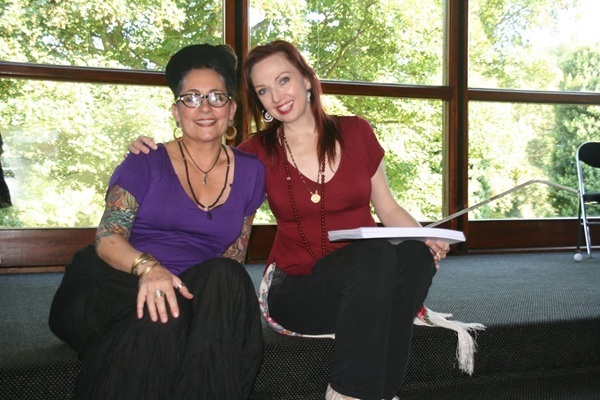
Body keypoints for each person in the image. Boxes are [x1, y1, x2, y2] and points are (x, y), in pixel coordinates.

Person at [129, 40, 483, 400]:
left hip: (367, 277)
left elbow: (388, 208)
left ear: (306, 79)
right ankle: (347, 393)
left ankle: (376, 392)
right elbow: (203, 164)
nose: (276, 96)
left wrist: (424, 237)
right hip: (299, 288)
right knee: (376, 255)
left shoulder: (357, 131)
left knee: (414, 255)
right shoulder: (255, 152)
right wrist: (152, 150)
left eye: (283, 80)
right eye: (263, 90)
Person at [49, 44, 267, 400]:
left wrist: (211, 312)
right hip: (115, 281)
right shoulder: (146, 160)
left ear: (231, 110)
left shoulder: (251, 172)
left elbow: (234, 253)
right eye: (191, 98)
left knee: (225, 278)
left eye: (216, 97)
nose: (205, 107)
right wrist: (150, 270)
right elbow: (108, 237)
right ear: (176, 111)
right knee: (167, 310)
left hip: (188, 289)